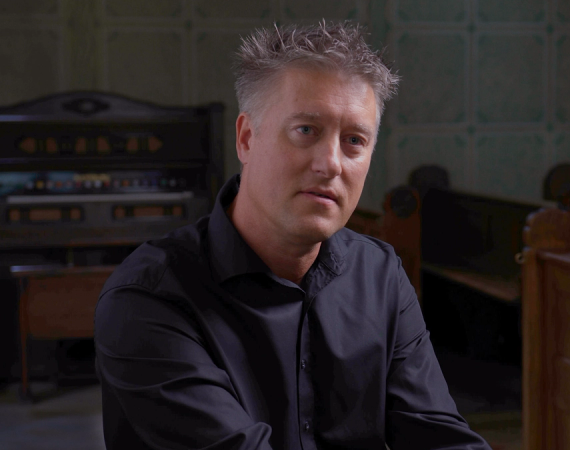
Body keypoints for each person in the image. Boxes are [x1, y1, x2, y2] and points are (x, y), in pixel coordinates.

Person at [94, 21, 492, 450]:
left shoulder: (380, 275)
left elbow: (441, 440)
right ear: (247, 139)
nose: (331, 164)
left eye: (354, 140)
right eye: (306, 130)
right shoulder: (147, 298)